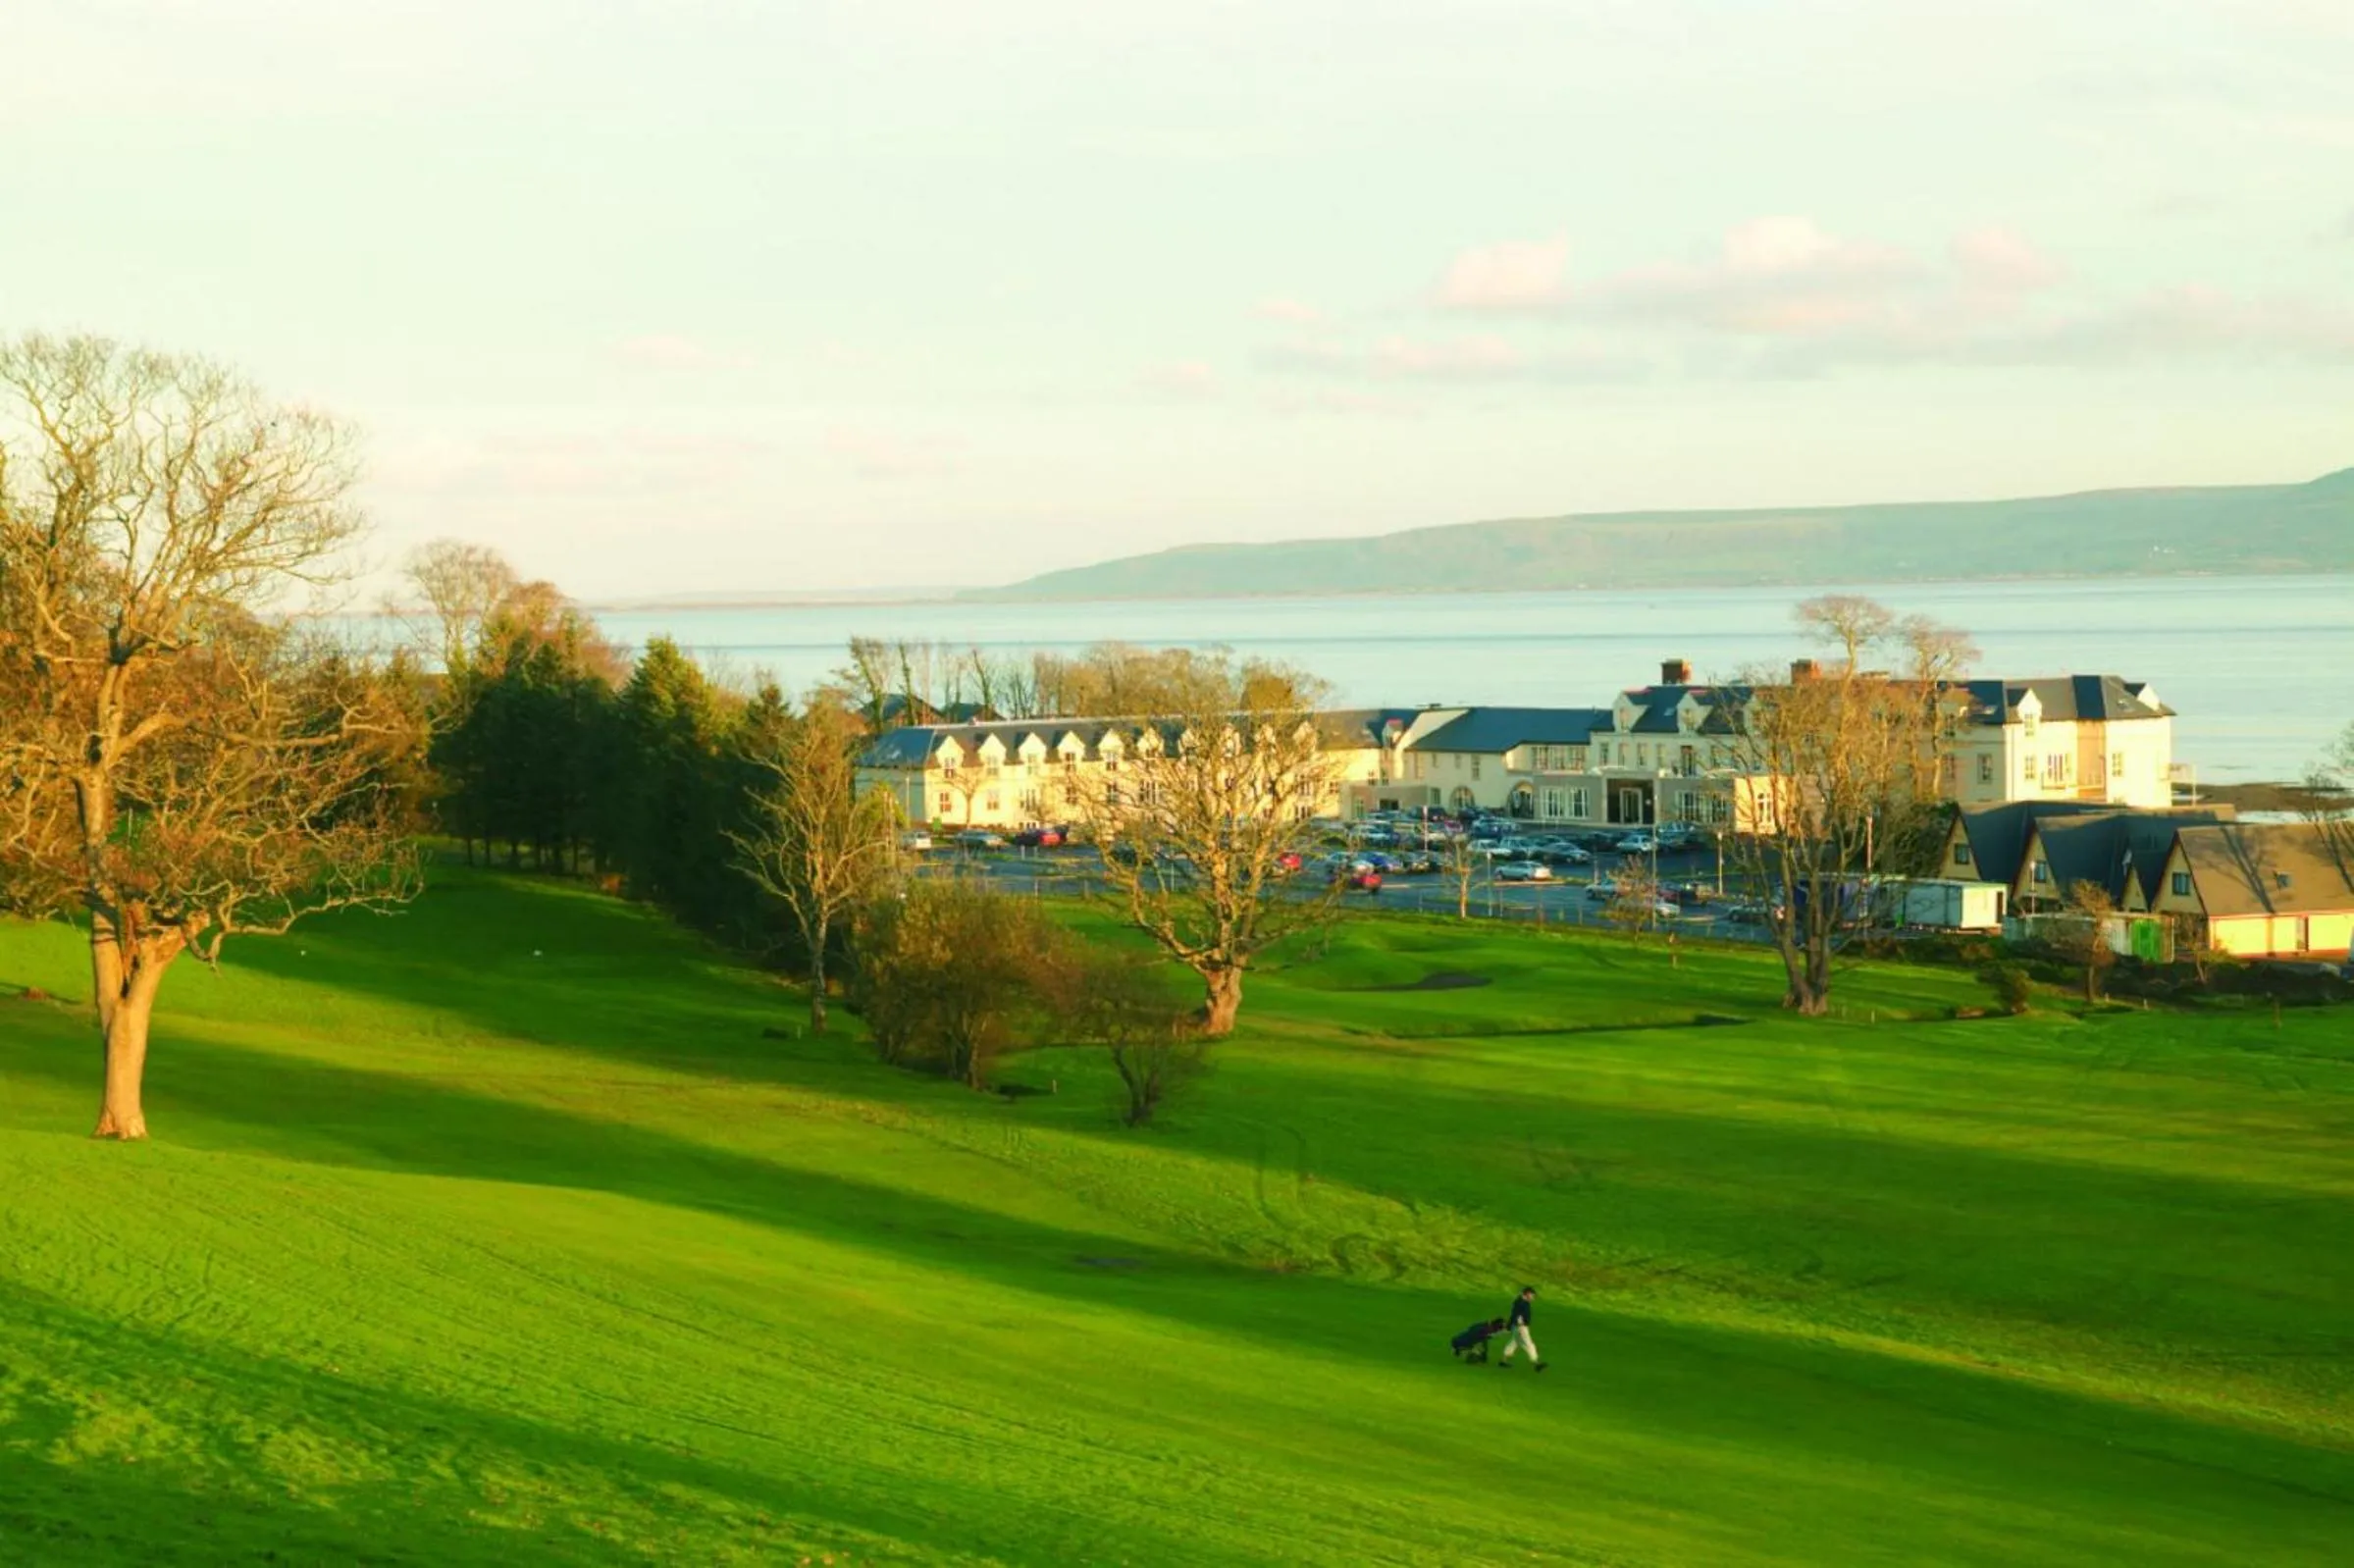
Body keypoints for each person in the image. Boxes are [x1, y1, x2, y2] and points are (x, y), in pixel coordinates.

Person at [1497, 1286, 1545, 1372]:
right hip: (1521, 1327)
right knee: (1529, 1344)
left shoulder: (1521, 1302)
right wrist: (1512, 1324)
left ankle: (1503, 1360)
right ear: (1527, 1294)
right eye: (1532, 1295)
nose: (1533, 1298)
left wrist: (1510, 1325)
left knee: (1514, 1343)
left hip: (1518, 1327)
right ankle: (1536, 1363)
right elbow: (1516, 1315)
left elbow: (1514, 1314)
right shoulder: (1521, 1303)